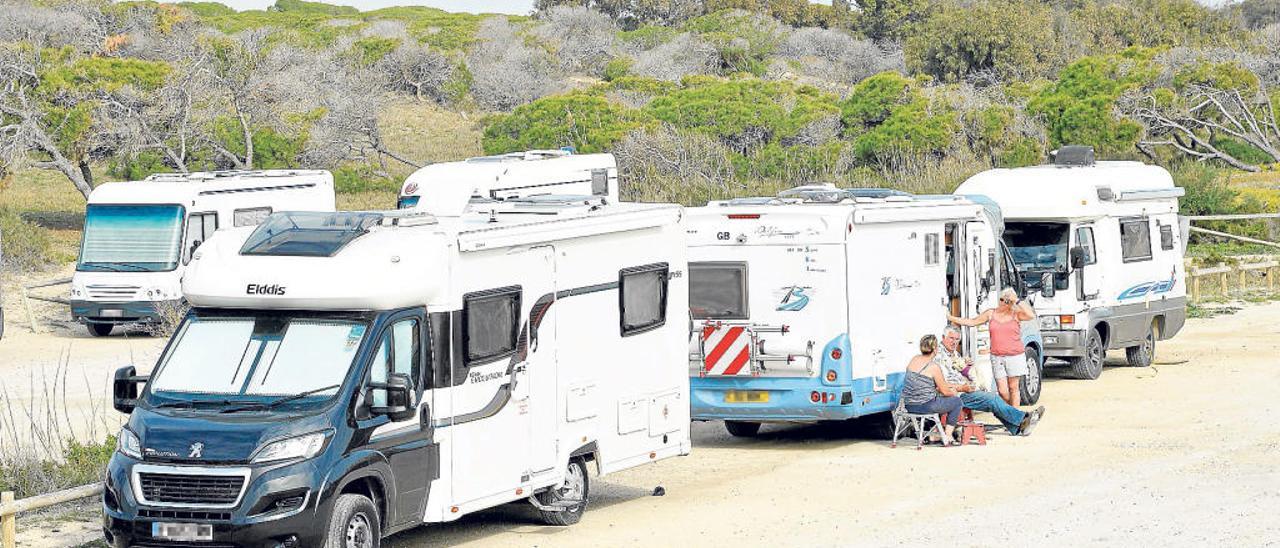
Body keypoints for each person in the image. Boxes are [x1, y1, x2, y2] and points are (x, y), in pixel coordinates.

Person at [938, 325, 1044, 436]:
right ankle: (1023, 418)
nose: (954, 342)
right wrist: (962, 387)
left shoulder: (953, 353)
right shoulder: (940, 356)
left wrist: (966, 365)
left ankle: (1017, 428)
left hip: (964, 389)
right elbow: (942, 383)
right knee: (992, 399)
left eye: (957, 339)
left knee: (993, 400)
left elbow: (959, 371)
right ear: (943, 337)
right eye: (951, 338)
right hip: (955, 394)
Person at [948, 287, 1036, 407]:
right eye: (1001, 299)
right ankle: (1011, 413)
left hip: (1015, 355)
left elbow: (1031, 315)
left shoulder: (1016, 314)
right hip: (997, 356)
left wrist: (1017, 300)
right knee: (1002, 391)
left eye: (1007, 301)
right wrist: (951, 318)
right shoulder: (991, 313)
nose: (1003, 303)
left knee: (1013, 387)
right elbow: (972, 322)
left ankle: (1014, 417)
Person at [901, 334, 965, 446]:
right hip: (925, 406)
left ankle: (933, 435)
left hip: (909, 405)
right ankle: (948, 435)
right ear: (935, 349)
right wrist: (954, 391)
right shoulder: (933, 367)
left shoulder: (914, 359)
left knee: (938, 400)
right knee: (956, 402)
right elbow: (945, 390)